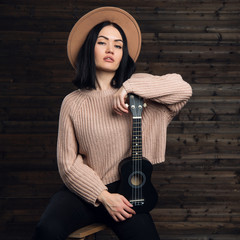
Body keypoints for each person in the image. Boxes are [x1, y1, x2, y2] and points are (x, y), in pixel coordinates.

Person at [32, 7, 192, 240]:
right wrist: (104, 196)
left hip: (128, 193)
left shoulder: (139, 90)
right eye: (102, 43)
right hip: (83, 192)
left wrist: (128, 87)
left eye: (118, 45)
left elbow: (183, 88)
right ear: (90, 49)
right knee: (46, 230)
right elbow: (68, 164)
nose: (111, 50)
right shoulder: (73, 102)